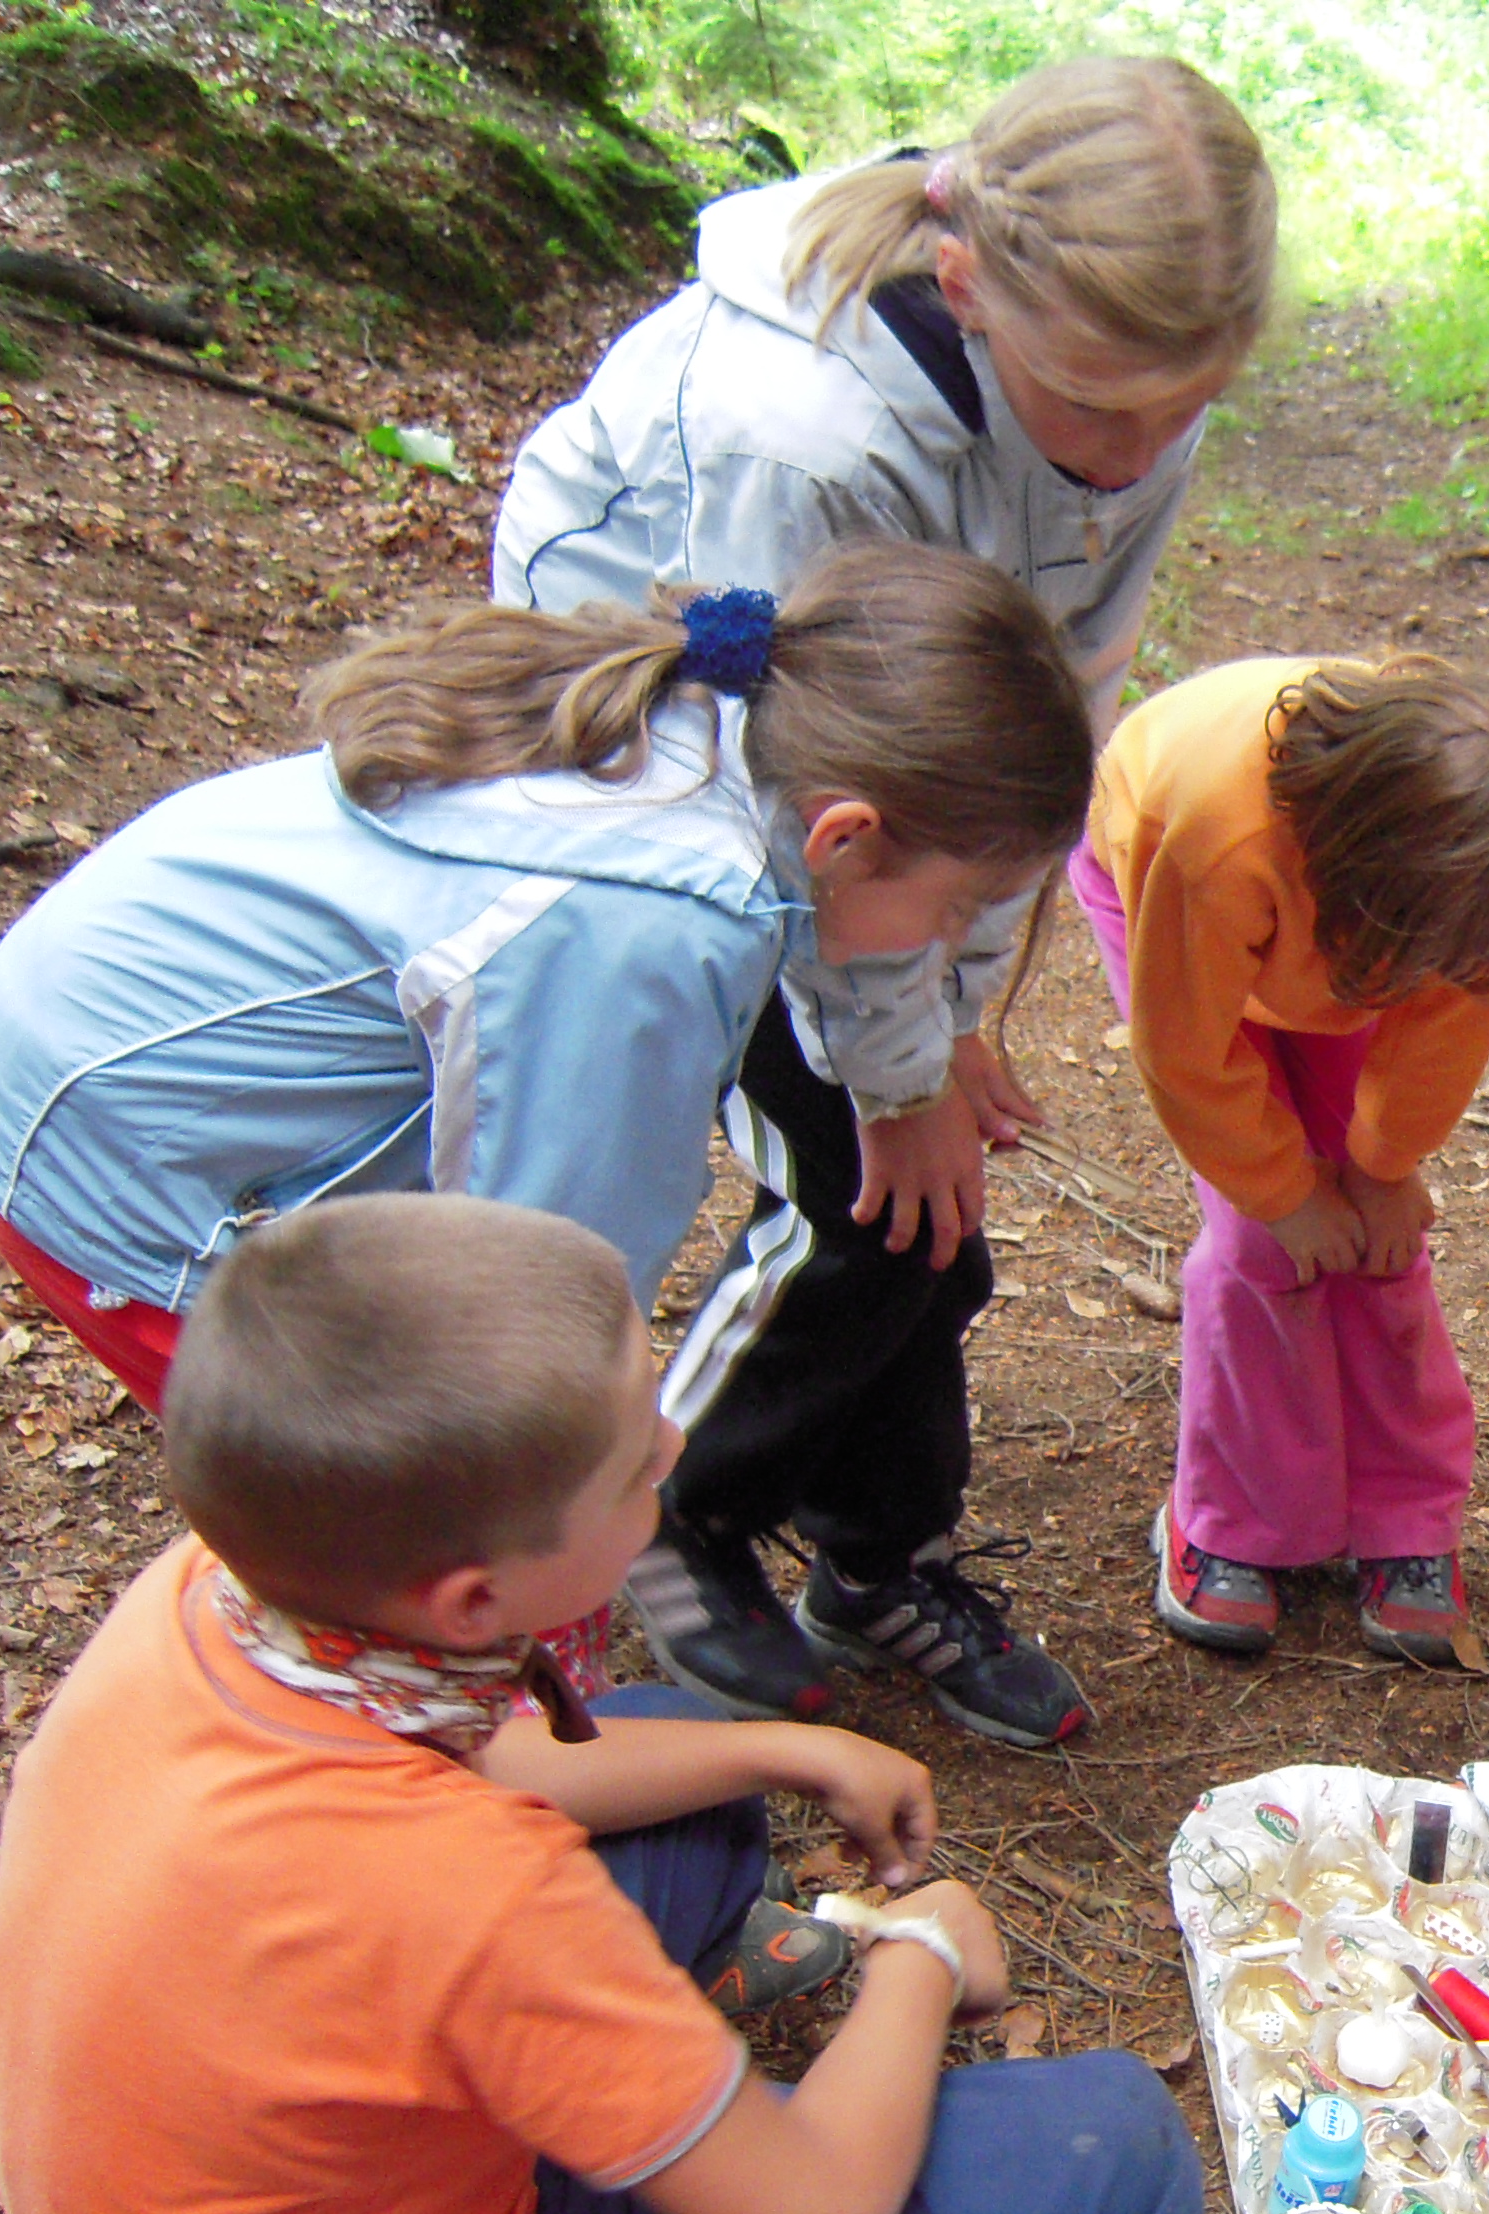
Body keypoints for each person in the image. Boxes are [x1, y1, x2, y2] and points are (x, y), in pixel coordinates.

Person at [0, 1195, 1200, 2214]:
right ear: (475, 1599)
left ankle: (648, 2101)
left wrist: (786, 1749)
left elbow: (511, 1765)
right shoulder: (465, 1892)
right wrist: (921, 1960)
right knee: (1124, 2175)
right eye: (633, 1462)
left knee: (687, 1760)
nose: (675, 1450)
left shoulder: (222, 1597)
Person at [0, 546, 1092, 1698]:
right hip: (115, 1157)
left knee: (515, 1500)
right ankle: (473, 1746)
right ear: (845, 837)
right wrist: (603, 1474)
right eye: (955, 908)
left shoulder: (731, 728)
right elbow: (541, 1280)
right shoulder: (659, 922)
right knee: (436, 1523)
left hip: (134, 1071)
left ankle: (502, 1718)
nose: (946, 942)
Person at [494, 61, 1275, 1739]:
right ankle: (667, 1505)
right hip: (687, 793)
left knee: (929, 1222)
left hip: (888, 798)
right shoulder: (804, 437)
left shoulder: (1127, 383)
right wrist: (898, 1071)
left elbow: (1029, 729)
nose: (1134, 456)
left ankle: (874, 1558)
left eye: (1182, 407)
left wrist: (959, 1022)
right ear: (971, 285)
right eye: (1097, 409)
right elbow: (810, 808)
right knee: (852, 1199)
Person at [1078, 655, 1489, 1666]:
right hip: (1181, 916)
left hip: (1364, 938)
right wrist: (1284, 1195)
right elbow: (1187, 1052)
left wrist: (1381, 1167)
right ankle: (1230, 1519)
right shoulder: (1214, 839)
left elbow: (1446, 1026)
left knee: (1379, 1242)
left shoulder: (1484, 873)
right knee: (1262, 1248)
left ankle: (1404, 1516)